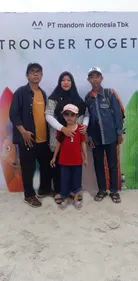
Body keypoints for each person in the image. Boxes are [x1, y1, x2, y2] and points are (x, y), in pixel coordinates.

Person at [9, 62, 54, 208]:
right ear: (27, 75)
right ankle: (29, 195)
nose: (36, 74)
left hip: (43, 138)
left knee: (46, 165)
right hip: (27, 139)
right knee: (28, 168)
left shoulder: (43, 93)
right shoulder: (20, 93)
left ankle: (44, 189)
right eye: (32, 72)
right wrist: (23, 132)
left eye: (38, 72)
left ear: (41, 75)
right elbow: (14, 115)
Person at [45, 71, 89, 205]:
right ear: (59, 82)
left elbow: (86, 114)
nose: (66, 82)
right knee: (59, 166)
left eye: (68, 80)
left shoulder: (77, 99)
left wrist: (85, 125)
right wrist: (62, 128)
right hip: (58, 137)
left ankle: (73, 191)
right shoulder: (53, 98)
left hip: (75, 139)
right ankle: (59, 191)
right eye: (63, 80)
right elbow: (48, 115)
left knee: (74, 168)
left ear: (72, 82)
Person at [85, 67, 123, 203]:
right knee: (98, 164)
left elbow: (117, 115)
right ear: (88, 80)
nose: (95, 79)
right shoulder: (88, 98)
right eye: (92, 77)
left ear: (102, 78)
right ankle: (102, 190)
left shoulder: (109, 94)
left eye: (97, 76)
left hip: (111, 136)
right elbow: (87, 118)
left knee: (113, 164)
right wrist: (89, 137)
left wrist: (119, 133)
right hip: (96, 139)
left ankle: (114, 191)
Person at [50, 104, 88, 210]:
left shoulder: (80, 129)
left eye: (72, 115)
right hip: (64, 162)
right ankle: (65, 199)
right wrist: (54, 157)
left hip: (77, 162)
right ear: (63, 116)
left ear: (77, 116)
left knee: (76, 181)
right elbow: (58, 144)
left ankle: (76, 199)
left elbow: (83, 144)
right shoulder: (61, 130)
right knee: (64, 181)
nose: (69, 117)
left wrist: (86, 158)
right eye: (66, 114)